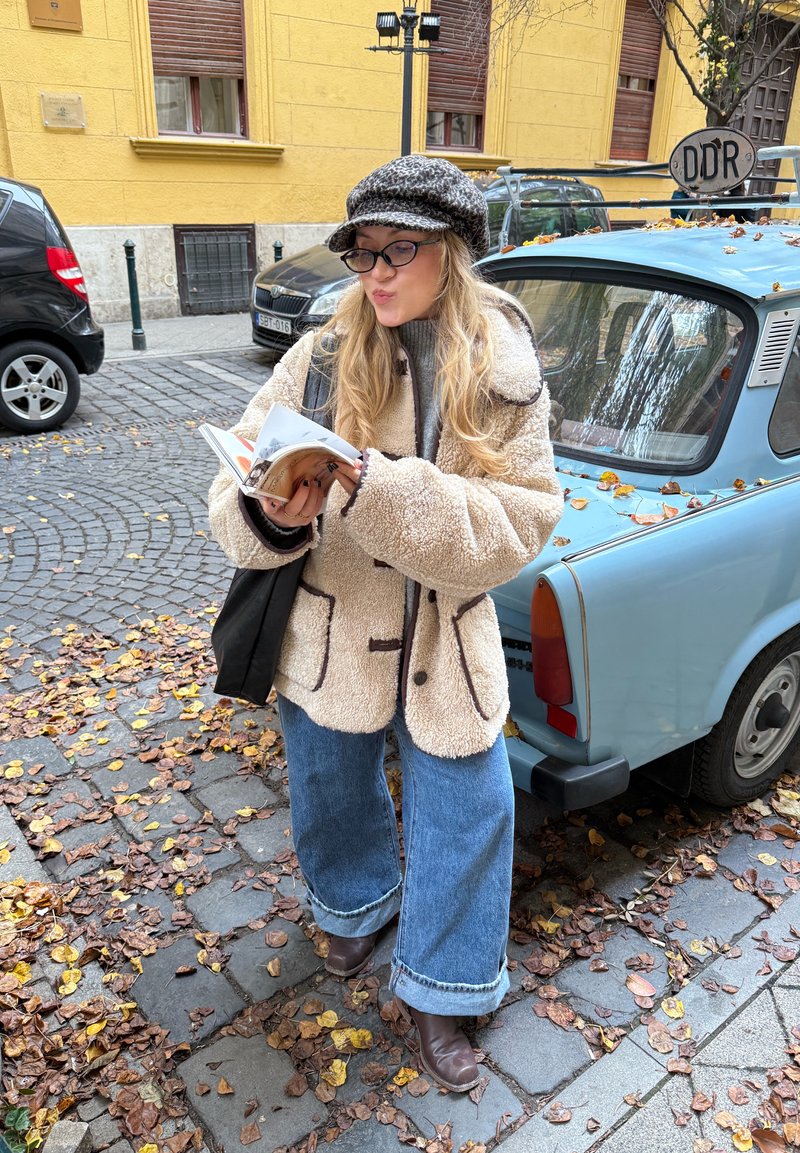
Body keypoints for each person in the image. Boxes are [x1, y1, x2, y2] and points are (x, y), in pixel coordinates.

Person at [208, 154, 563, 1092]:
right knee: (330, 788)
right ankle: (356, 906)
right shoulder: (322, 353)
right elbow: (230, 483)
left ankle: (445, 990)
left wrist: (377, 488)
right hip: (330, 629)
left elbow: (518, 523)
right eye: (362, 252)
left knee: (470, 807)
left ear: (451, 252)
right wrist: (271, 511)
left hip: (449, 637)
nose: (375, 274)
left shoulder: (505, 362)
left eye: (398, 250)